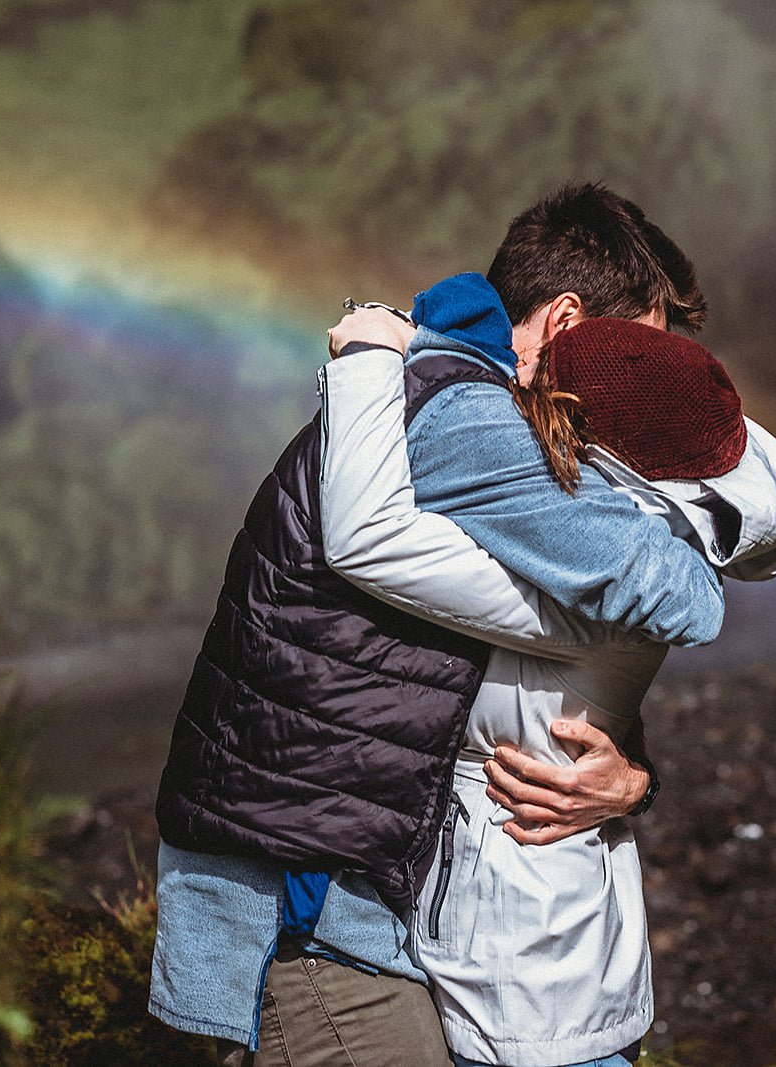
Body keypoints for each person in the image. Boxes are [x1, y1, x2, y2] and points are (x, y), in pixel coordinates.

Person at [150, 185, 727, 1065]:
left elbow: (526, 662)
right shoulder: (460, 415)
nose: (644, 391)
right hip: (310, 904)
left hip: (377, 900)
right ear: (568, 318)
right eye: (640, 353)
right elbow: (669, 598)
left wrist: (633, 778)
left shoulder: (460, 399)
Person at [316, 313, 776, 1066]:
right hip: (587, 951)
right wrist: (638, 780)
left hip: (519, 967)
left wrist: (371, 355)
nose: (519, 396)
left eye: (541, 395)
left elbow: (369, 537)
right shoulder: (665, 536)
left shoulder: (590, 583)